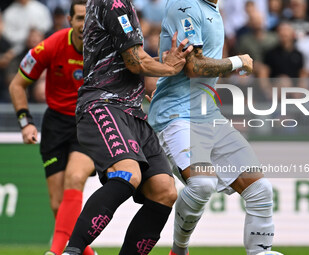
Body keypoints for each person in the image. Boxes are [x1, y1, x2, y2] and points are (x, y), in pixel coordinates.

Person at [62, 0, 192, 254]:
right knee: (128, 173)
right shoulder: (114, 2)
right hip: (103, 103)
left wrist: (161, 62)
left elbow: (128, 60)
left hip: (132, 110)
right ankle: (72, 250)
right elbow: (135, 62)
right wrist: (168, 68)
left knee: (164, 190)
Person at [148, 1, 275, 255]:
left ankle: (261, 252)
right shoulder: (185, 5)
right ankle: (178, 251)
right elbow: (194, 67)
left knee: (261, 190)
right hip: (176, 115)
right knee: (202, 184)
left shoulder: (212, 9)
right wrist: (238, 61)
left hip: (208, 114)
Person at [8, 1, 98, 255]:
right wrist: (25, 123)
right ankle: (86, 252)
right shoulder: (49, 46)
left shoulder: (104, 49)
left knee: (75, 177)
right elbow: (17, 85)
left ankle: (55, 252)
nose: (84, 24)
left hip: (89, 123)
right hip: (56, 124)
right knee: (58, 206)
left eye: (89, 18)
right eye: (79, 18)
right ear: (69, 20)